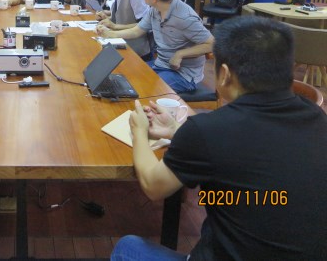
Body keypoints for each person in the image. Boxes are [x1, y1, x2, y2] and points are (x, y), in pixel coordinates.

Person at [112, 16, 327, 260]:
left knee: (127, 248)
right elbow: (247, 148)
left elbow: (153, 186)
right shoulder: (318, 119)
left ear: (224, 74)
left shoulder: (208, 129)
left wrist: (139, 131)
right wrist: (177, 129)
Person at [97, 0, 213, 93]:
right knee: (127, 77)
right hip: (161, 64)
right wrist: (111, 33)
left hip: (183, 74)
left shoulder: (185, 18)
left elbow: (212, 44)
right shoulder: (155, 9)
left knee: (142, 89)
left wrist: (181, 54)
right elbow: (137, 30)